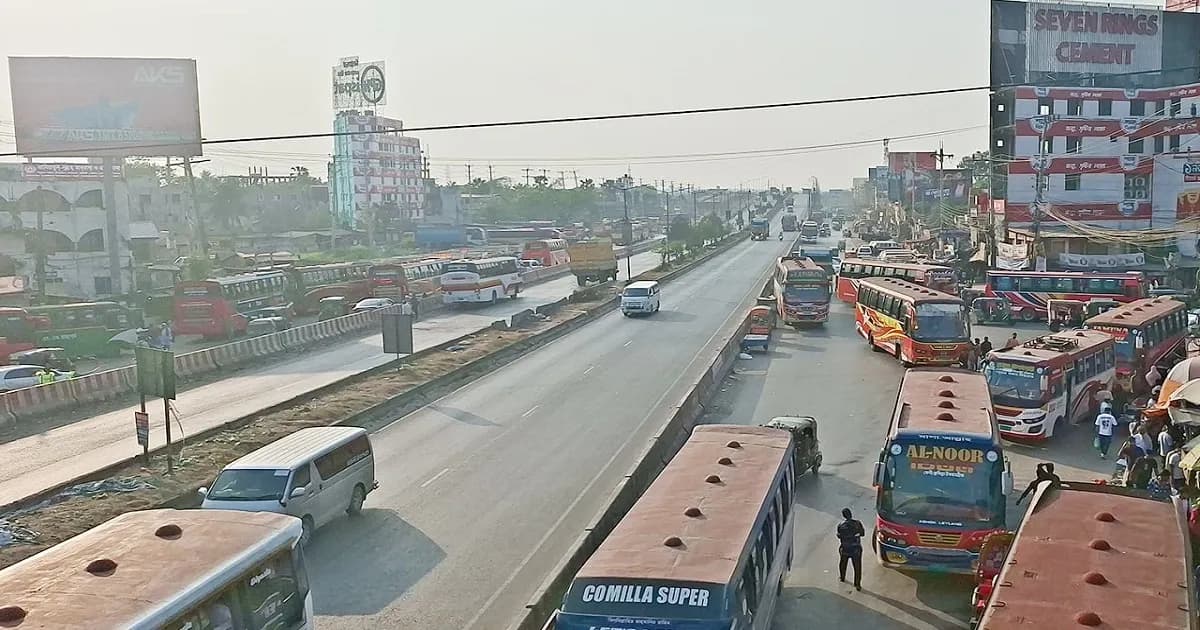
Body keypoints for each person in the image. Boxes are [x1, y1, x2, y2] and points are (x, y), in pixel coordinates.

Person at [836, 507, 865, 591]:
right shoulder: (857, 523)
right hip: (856, 549)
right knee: (857, 567)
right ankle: (857, 584)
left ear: (843, 516)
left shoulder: (840, 525)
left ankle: (842, 577)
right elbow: (862, 534)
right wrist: (856, 535)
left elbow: (839, 535)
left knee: (842, 564)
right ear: (851, 514)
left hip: (845, 548)